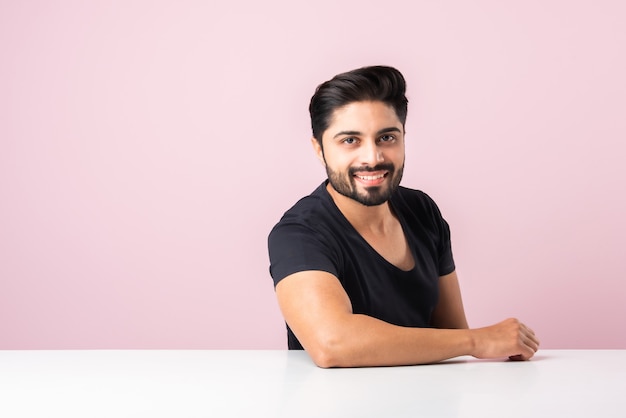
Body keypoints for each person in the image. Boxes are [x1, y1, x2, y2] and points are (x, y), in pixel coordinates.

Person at [267, 65, 539, 368]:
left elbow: (451, 335)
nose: (373, 158)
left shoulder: (422, 211)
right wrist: (478, 340)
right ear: (319, 149)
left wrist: (474, 344)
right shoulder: (298, 233)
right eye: (350, 141)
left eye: (386, 137)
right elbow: (332, 343)